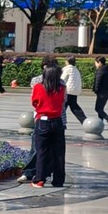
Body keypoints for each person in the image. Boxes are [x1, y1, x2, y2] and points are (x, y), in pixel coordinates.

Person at [25, 59, 67, 188]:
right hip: (58, 120)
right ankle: (58, 180)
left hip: (42, 120)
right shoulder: (62, 88)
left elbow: (34, 102)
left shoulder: (38, 87)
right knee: (59, 152)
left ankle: (39, 179)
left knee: (42, 151)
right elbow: (64, 102)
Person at [92, 55, 108, 131]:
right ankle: (101, 124)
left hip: (102, 92)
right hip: (107, 92)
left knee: (98, 108)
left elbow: (98, 82)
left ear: (99, 62)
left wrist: (96, 90)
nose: (95, 64)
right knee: (100, 108)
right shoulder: (107, 70)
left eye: (95, 63)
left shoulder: (101, 70)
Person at [61, 57, 87, 125]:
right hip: (74, 91)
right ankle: (84, 120)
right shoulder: (76, 70)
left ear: (67, 61)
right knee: (74, 106)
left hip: (68, 91)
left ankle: (60, 121)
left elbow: (62, 80)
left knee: (62, 107)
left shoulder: (68, 69)